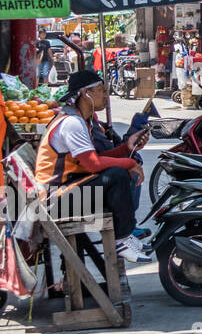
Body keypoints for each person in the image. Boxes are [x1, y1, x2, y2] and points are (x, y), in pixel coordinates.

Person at [33, 70, 152, 263]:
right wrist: (129, 162)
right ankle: (121, 238)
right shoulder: (72, 123)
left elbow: (95, 158)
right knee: (117, 175)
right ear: (85, 94)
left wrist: (125, 148)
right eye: (101, 90)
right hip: (54, 202)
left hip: (65, 192)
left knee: (116, 173)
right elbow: (93, 164)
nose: (106, 96)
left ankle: (124, 234)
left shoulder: (82, 122)